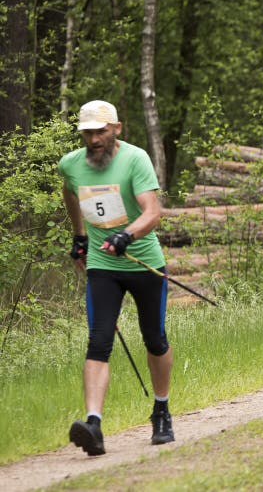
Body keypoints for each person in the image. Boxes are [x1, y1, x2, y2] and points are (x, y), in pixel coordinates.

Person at [59, 100, 174, 456]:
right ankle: (93, 424)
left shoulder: (135, 159)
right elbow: (70, 192)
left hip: (143, 263)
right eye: (87, 132)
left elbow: (153, 212)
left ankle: (161, 410)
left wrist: (128, 236)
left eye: (100, 131)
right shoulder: (71, 165)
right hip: (102, 265)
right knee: (98, 340)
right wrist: (79, 236)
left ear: (116, 129)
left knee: (154, 339)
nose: (94, 139)